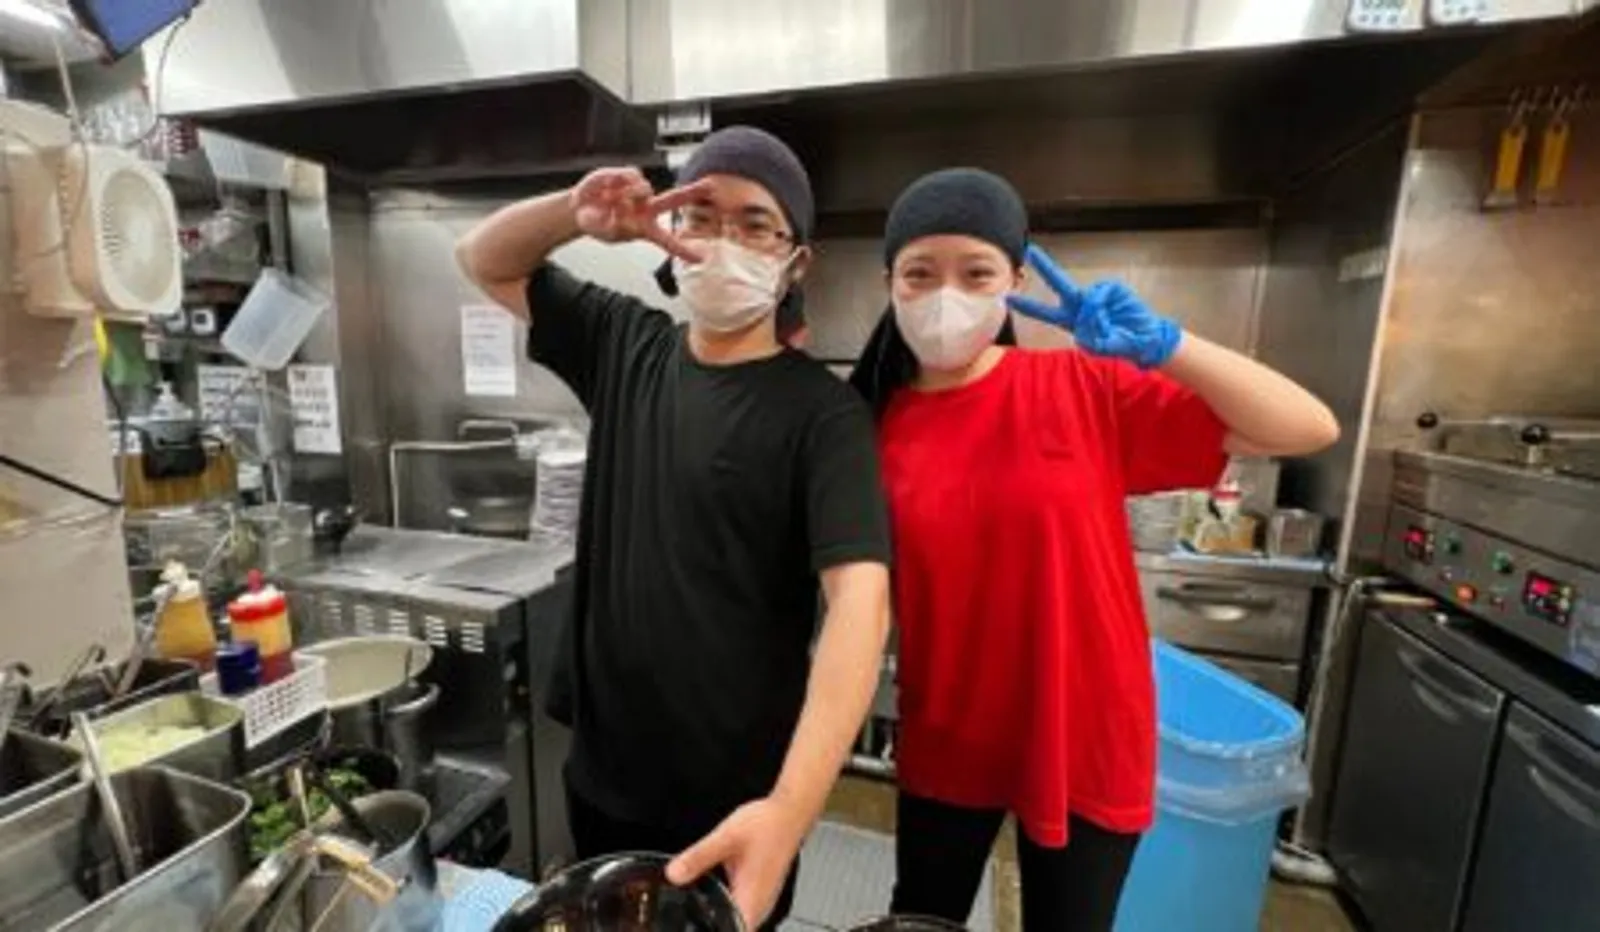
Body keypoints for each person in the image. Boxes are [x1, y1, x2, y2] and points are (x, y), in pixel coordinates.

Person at [848, 169, 1339, 932]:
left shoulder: (1084, 388)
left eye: (975, 271)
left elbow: (1306, 427)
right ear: (891, 283)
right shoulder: (870, 423)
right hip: (947, 729)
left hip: (1083, 731)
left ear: (1014, 279)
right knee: (922, 920)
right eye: (920, 272)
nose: (946, 294)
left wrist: (1170, 348)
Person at [456, 126, 893, 931]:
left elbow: (861, 604)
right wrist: (574, 211)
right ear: (669, 234)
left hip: (735, 800)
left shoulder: (824, 416)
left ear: (796, 260)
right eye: (701, 214)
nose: (725, 240)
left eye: (756, 222)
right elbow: (484, 259)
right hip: (603, 776)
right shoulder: (626, 343)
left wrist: (789, 813)